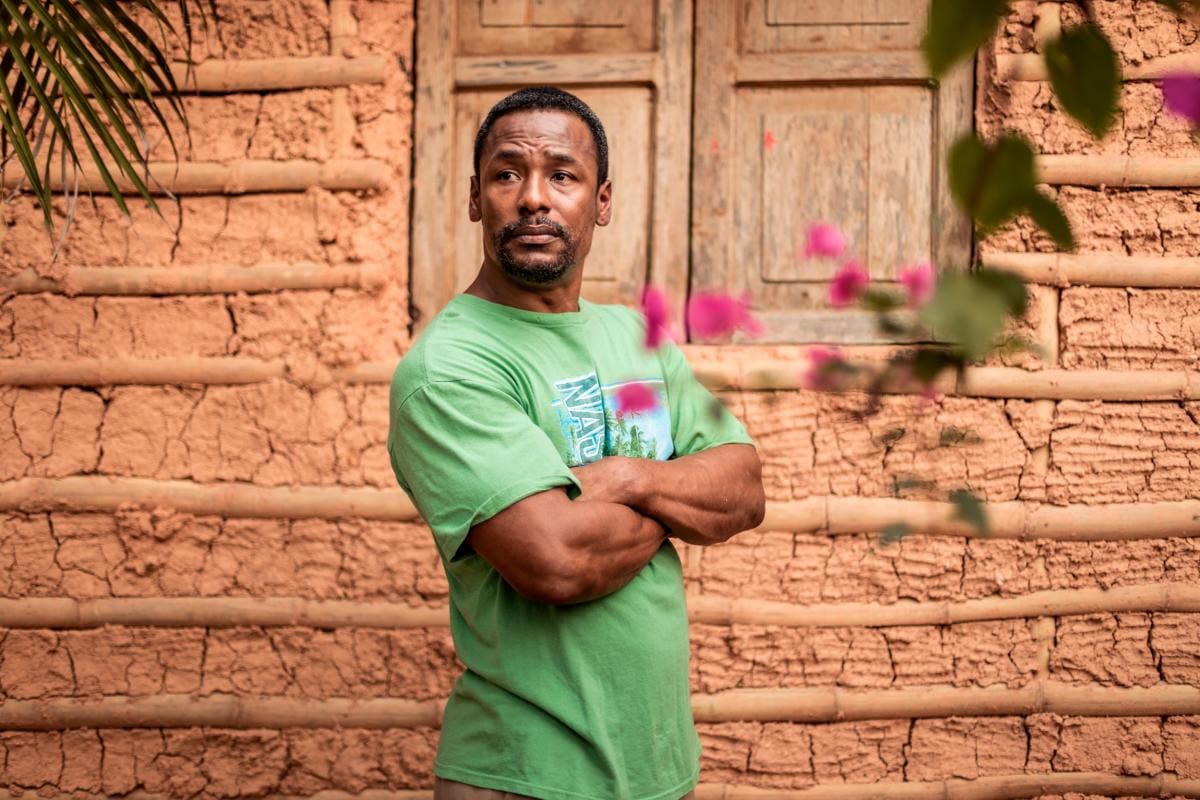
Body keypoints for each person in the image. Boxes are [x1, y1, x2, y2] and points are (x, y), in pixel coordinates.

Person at [387, 86, 766, 800]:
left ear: (602, 201)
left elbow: (743, 488)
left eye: (562, 174)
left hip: (656, 769)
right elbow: (556, 561)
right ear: (475, 198)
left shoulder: (632, 335)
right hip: (523, 774)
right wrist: (677, 493)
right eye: (507, 174)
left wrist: (628, 479)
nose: (534, 197)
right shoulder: (450, 368)